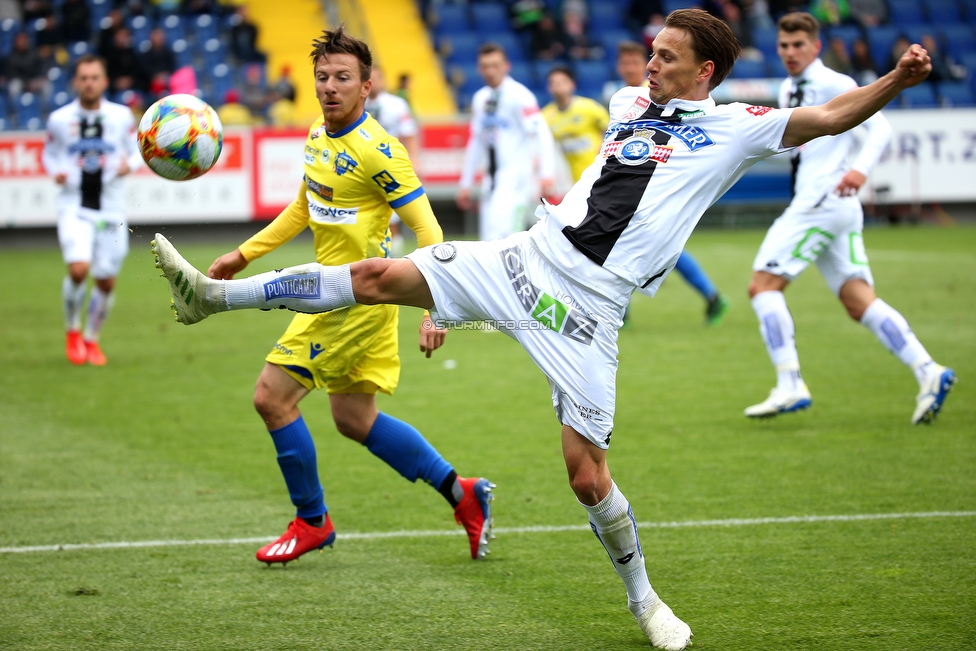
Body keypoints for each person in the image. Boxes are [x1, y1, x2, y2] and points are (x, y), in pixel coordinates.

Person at [153, 10, 937, 647]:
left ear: (705, 73)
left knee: (586, 475)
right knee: (373, 277)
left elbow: (831, 115)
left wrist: (898, 79)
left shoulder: (737, 126)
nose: (648, 65)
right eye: (650, 50)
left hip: (590, 310)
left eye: (666, 57)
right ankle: (207, 300)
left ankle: (644, 600)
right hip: (528, 257)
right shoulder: (629, 104)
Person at [159, 27, 494, 566]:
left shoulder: (381, 151)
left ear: (368, 86)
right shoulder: (317, 133)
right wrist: (244, 254)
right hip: (333, 295)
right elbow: (302, 207)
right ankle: (463, 492)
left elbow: (430, 231)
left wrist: (437, 308)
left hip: (351, 302)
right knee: (354, 419)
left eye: (343, 78)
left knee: (271, 398)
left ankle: (312, 521)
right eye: (323, 77)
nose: (330, 87)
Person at [744, 12, 955, 423]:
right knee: (858, 301)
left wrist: (859, 170)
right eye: (784, 46)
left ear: (816, 47)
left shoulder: (833, 83)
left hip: (822, 199)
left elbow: (880, 130)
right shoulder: (790, 86)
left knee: (762, 286)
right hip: (833, 205)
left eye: (798, 45)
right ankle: (929, 370)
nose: (789, 53)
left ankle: (789, 383)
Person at [603, 40, 731, 325]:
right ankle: (619, 313)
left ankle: (711, 296)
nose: (631, 68)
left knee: (662, 249)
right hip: (625, 189)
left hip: (657, 190)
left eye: (635, 63)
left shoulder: (672, 98)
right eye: (624, 64)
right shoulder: (623, 100)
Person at [43, 54, 141, 366]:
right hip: (74, 205)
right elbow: (48, 153)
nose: (89, 83)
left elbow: (138, 150)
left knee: (106, 281)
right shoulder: (59, 120)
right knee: (78, 269)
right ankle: (72, 331)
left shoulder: (122, 116)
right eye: (83, 78)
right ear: (75, 82)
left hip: (111, 209)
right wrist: (55, 170)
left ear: (104, 81)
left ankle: (92, 339)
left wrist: (131, 165)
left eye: (94, 77)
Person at [456, 43, 556, 242]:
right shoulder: (480, 98)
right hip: (491, 178)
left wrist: (547, 173)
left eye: (495, 65)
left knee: (507, 237)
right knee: (488, 239)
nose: (490, 71)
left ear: (506, 66)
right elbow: (476, 141)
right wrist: (465, 182)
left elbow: (541, 132)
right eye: (485, 66)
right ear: (479, 68)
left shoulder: (520, 95)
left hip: (516, 176)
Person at [365, 65, 420, 256]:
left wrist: (414, 161)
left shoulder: (397, 104)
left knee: (392, 216)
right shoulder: (358, 104)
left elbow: (409, 134)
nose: (373, 83)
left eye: (377, 78)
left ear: (383, 80)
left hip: (390, 165)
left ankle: (393, 257)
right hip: (363, 168)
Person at [541, 65, 610, 187]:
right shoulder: (545, 116)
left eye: (562, 82)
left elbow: (610, 129)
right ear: (548, 88)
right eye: (553, 83)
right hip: (566, 180)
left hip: (595, 173)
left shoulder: (589, 107)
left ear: (572, 84)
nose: (558, 86)